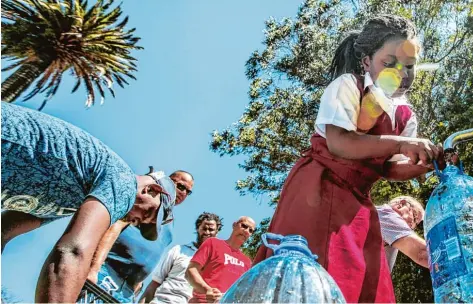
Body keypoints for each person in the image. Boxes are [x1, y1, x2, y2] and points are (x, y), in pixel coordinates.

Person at [253, 14, 444, 303]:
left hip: (358, 202)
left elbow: (388, 168)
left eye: (409, 65)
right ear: (367, 61)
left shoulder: (406, 115)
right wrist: (404, 144)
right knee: (310, 272)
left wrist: (423, 164)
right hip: (318, 186)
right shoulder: (348, 86)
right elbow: (340, 143)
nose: (402, 73)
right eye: (389, 63)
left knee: (359, 282)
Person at [0, 102, 175, 303]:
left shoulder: (69, 198)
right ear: (150, 190)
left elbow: (3, 230)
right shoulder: (124, 182)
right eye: (146, 215)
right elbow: (72, 252)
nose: (134, 221)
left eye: (138, 224)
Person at [84, 170, 195, 302]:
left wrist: (139, 285)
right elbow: (114, 228)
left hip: (127, 292)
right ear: (169, 182)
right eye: (181, 186)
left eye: (188, 191)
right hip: (105, 274)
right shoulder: (146, 203)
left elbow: (154, 255)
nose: (183, 193)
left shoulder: (170, 225)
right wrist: (94, 268)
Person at [139, 212, 223, 303]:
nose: (207, 232)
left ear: (217, 232)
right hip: (162, 300)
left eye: (211, 229)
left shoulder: (217, 261)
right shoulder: (178, 250)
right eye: (204, 228)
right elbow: (155, 283)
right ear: (198, 228)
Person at [186, 216, 255, 303]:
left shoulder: (247, 262)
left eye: (251, 230)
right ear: (234, 225)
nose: (246, 231)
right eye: (244, 226)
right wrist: (207, 290)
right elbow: (191, 271)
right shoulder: (213, 243)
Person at [377, 196, 429, 271]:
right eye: (414, 216)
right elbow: (420, 253)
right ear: (402, 203)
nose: (412, 225)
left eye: (416, 224)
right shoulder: (387, 213)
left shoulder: (393, 239)